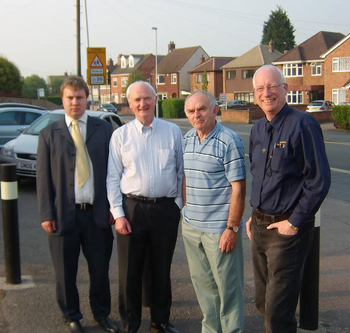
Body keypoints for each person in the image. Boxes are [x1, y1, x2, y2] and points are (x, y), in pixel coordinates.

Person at [246, 65, 331, 333]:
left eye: (272, 86)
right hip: (259, 228)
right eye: (260, 88)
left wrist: (293, 223)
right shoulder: (258, 128)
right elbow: (261, 176)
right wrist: (254, 214)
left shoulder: (303, 125)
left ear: (286, 88)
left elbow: (318, 181)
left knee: (277, 314)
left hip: (286, 233)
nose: (266, 93)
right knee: (263, 303)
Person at [36, 76, 119, 333]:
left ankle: (101, 314)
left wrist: (114, 210)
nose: (75, 102)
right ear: (62, 100)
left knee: (100, 271)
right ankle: (71, 316)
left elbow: (115, 172)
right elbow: (43, 179)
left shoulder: (104, 130)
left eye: (79, 97)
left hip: (98, 216)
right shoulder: (49, 134)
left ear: (87, 99)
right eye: (70, 98)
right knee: (65, 272)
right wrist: (46, 213)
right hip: (63, 217)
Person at [107, 81, 184, 333]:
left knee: (161, 269)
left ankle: (160, 321)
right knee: (130, 271)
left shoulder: (173, 132)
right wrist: (118, 215)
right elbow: (112, 177)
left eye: (147, 98)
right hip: (133, 209)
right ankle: (130, 324)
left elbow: (181, 172)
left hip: (165, 209)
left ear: (155, 99)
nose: (143, 104)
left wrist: (177, 206)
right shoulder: (120, 136)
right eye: (137, 100)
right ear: (130, 104)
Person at [182, 90, 246, 333]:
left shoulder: (229, 140)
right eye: (191, 111)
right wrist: (186, 212)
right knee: (203, 287)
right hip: (191, 228)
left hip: (219, 231)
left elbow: (238, 188)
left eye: (202, 109)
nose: (196, 114)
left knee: (228, 290)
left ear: (214, 110)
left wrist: (231, 228)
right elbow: (187, 177)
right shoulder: (187, 138)